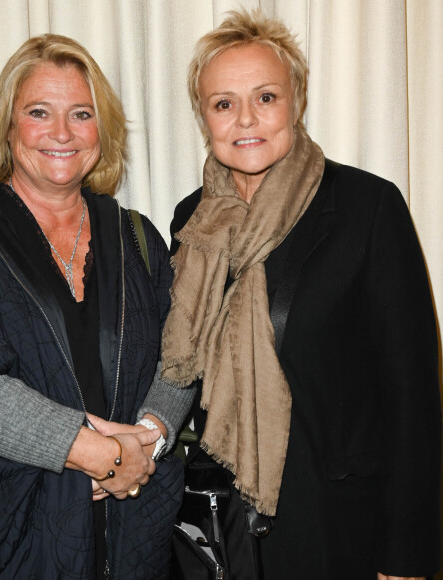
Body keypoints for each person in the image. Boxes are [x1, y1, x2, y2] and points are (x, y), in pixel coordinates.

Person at [0, 34, 194, 580]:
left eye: (81, 113)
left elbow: (182, 354)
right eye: (38, 112)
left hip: (128, 545)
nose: (61, 133)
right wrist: (90, 450)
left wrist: (148, 439)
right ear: (8, 125)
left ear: (103, 129)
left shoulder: (136, 239)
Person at [162, 9, 441, 580]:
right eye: (223, 103)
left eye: (265, 97)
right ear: (204, 118)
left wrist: (406, 556)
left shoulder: (367, 207)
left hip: (338, 526)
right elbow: (184, 372)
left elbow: (411, 395)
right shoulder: (191, 222)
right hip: (221, 531)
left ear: (296, 102)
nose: (246, 119)